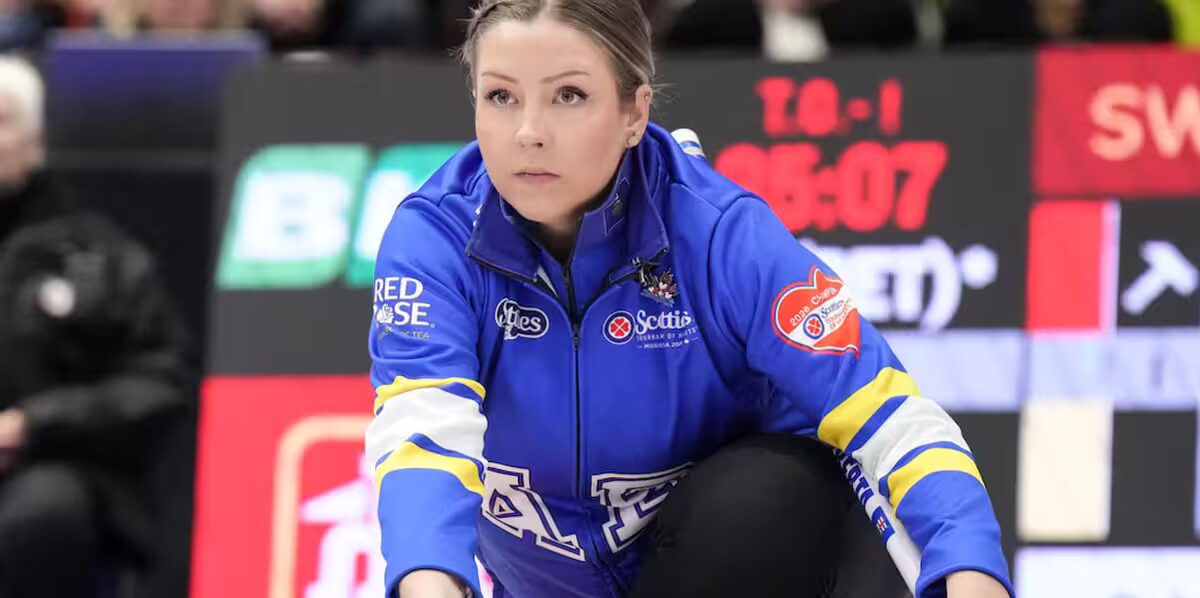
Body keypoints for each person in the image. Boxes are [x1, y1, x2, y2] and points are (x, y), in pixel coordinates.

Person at [365, 1, 1013, 597]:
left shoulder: (719, 231)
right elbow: (424, 443)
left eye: (569, 95)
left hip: (759, 564)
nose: (529, 132)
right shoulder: (434, 237)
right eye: (500, 97)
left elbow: (889, 418)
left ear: (634, 115)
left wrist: (971, 569)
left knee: (762, 499)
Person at [0, 55, 194, 597]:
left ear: (36, 140)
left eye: (1, 120)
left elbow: (159, 384)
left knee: (44, 512)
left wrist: (32, 423)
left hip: (58, 476)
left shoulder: (96, 253)